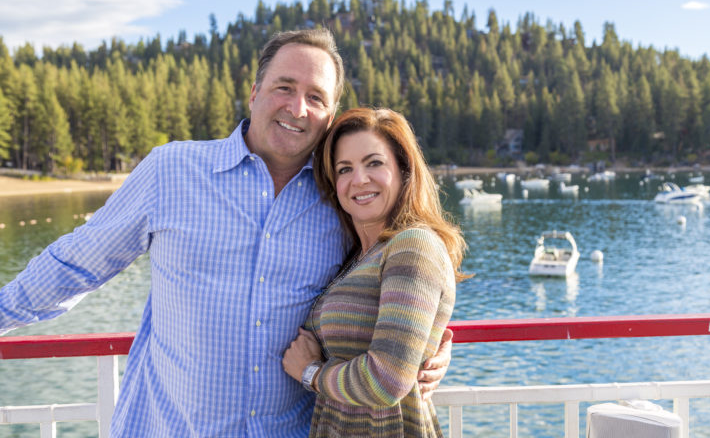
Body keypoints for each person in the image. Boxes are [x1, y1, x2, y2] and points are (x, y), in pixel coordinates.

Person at [0, 29, 451, 437]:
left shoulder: (341, 201)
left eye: (316, 97)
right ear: (254, 93)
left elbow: (389, 289)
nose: (298, 108)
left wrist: (432, 350)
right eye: (284, 88)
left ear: (330, 115)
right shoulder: (172, 170)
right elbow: (74, 264)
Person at [282, 107, 468, 437]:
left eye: (374, 163)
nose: (359, 179)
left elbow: (386, 382)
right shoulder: (357, 257)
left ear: (403, 169)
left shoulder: (413, 245)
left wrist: (311, 373)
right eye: (344, 169)